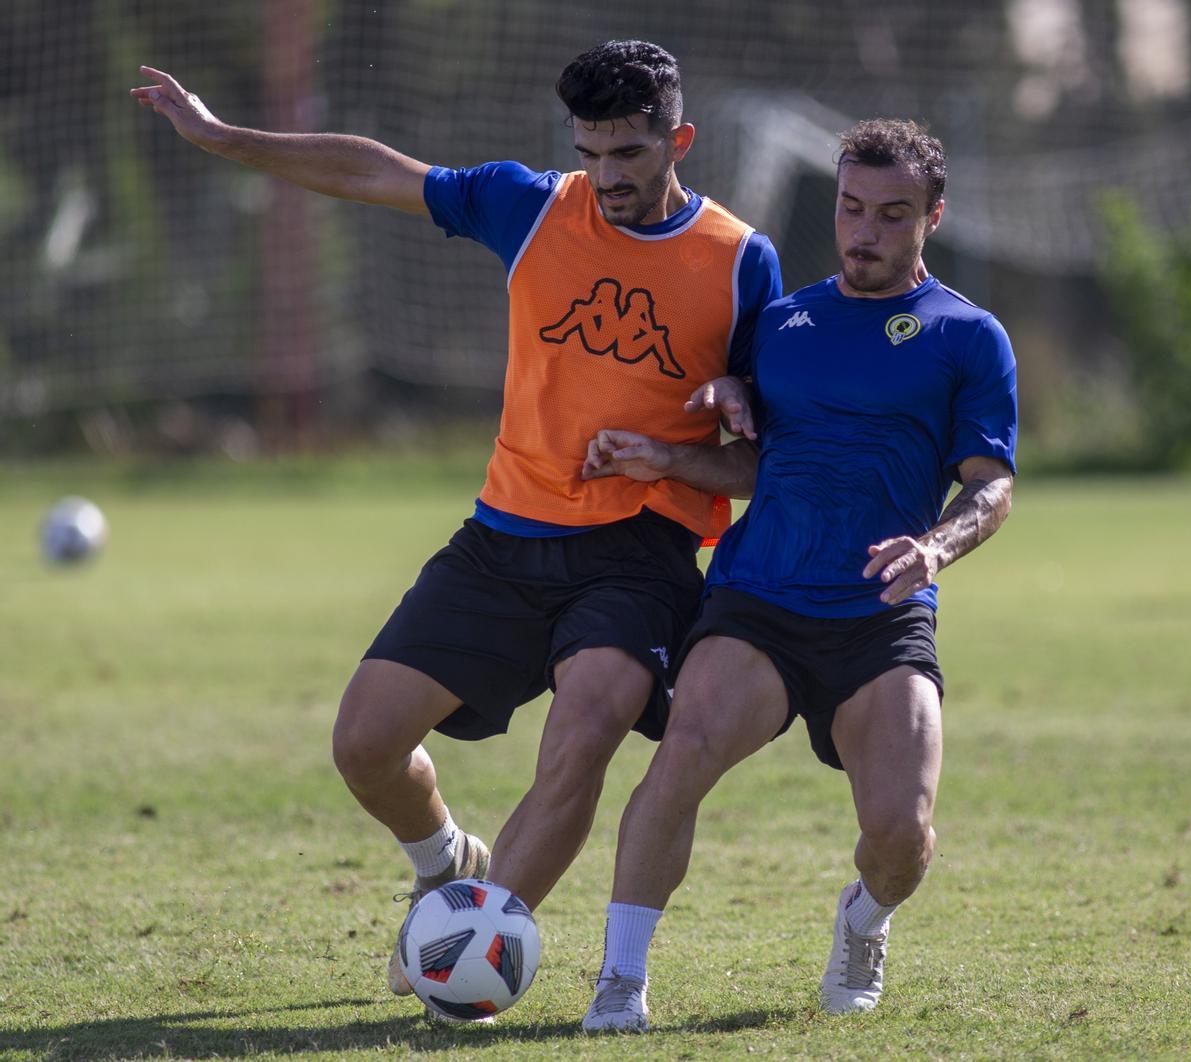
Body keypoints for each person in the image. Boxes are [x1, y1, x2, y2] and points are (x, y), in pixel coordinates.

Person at [131, 40, 781, 1007]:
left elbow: (767, 450)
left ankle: (469, 951)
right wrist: (224, 139)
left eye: (630, 156)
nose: (606, 177)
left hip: (638, 553)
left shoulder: (740, 262)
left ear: (676, 140)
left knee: (586, 732)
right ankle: (446, 865)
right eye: (591, 152)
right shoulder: (531, 206)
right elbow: (372, 168)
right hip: (503, 536)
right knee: (365, 743)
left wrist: (717, 413)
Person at [577, 118, 1017, 1032]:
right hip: (759, 603)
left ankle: (863, 921)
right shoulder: (781, 321)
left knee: (901, 836)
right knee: (679, 762)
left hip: (882, 613)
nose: (864, 232)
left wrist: (933, 547)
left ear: (933, 216)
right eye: (853, 208)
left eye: (892, 216)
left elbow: (992, 486)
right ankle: (620, 982)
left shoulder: (970, 337)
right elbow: (757, 464)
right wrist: (668, 454)